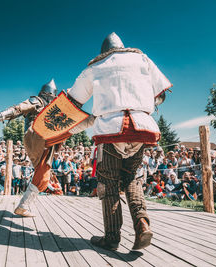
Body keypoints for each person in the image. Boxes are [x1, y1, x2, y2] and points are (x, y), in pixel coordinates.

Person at [66, 32, 171, 251]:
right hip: (141, 128)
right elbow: (161, 94)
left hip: (110, 130)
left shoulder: (94, 68)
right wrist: (142, 102)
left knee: (109, 183)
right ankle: (142, 223)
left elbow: (73, 100)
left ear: (104, 51)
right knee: (132, 178)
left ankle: (112, 237)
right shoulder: (142, 59)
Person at [0, 79, 91, 216]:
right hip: (37, 136)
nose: (51, 98)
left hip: (47, 141)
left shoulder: (53, 109)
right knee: (75, 127)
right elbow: (18, 108)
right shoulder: (37, 101)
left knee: (43, 176)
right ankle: (95, 119)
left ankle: (23, 206)